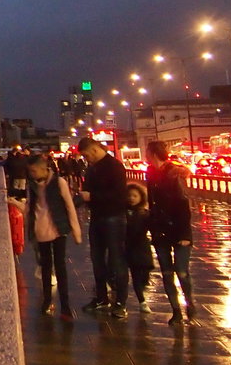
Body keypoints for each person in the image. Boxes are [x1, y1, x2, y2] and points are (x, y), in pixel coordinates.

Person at [12, 152, 81, 321]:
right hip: (40, 229)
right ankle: (47, 301)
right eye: (30, 172)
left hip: (58, 228)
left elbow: (69, 206)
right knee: (45, 266)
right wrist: (14, 203)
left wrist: (75, 230)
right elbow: (31, 207)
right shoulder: (33, 186)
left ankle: (65, 305)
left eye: (34, 171)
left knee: (60, 266)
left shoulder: (59, 182)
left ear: (44, 169)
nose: (32, 175)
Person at [77, 136, 129, 318]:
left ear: (94, 150)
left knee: (117, 260)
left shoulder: (114, 166)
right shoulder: (92, 169)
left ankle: (121, 303)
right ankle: (101, 298)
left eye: (86, 155)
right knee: (97, 260)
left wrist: (91, 197)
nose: (86, 159)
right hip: (97, 218)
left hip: (114, 217)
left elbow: (119, 195)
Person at [146, 140, 195, 324]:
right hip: (160, 230)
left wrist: (184, 235)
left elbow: (183, 205)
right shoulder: (150, 173)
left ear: (153, 153)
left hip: (178, 229)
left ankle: (189, 303)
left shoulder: (175, 174)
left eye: (147, 151)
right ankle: (176, 310)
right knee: (166, 272)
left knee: (181, 271)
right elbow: (151, 203)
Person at [125, 182, 155, 312]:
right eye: (129, 195)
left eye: (134, 196)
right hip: (129, 248)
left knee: (144, 275)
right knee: (135, 275)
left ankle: (142, 292)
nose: (131, 198)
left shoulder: (145, 213)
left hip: (143, 248)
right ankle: (142, 301)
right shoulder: (123, 213)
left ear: (141, 197)